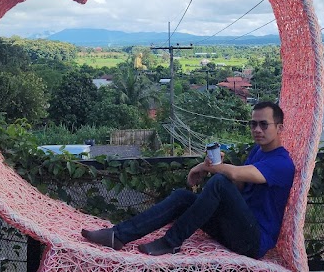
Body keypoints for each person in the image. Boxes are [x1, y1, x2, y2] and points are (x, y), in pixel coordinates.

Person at [81, 101, 295, 258]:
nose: (257, 129)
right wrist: (210, 167)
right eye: (253, 124)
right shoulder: (258, 152)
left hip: (253, 242)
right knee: (183, 197)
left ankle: (171, 241)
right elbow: (240, 187)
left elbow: (236, 175)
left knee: (220, 183)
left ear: (279, 127)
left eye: (264, 124)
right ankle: (117, 235)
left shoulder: (282, 164)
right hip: (236, 228)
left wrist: (206, 167)